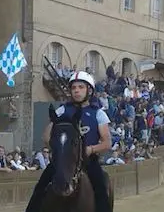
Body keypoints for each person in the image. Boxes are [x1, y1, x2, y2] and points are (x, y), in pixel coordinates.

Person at [25, 71, 112, 212]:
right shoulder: (62, 110)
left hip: (88, 161)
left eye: (81, 87)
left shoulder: (98, 113)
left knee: (101, 188)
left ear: (89, 90)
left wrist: (90, 150)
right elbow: (46, 138)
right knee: (40, 187)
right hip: (63, 160)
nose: (76, 90)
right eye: (73, 88)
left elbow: (106, 143)